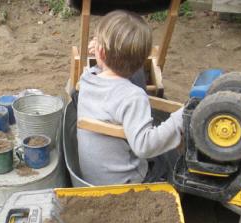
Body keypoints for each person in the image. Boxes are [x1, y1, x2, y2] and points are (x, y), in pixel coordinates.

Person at [77, 10, 184, 186]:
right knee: (171, 159)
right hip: (124, 183)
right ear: (144, 60)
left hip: (90, 177)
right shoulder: (133, 97)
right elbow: (145, 147)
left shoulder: (88, 77)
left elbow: (102, 67)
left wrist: (99, 50)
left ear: (100, 53)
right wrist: (178, 120)